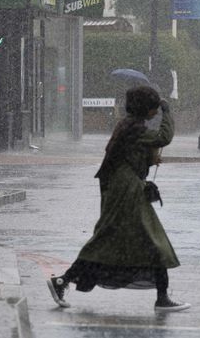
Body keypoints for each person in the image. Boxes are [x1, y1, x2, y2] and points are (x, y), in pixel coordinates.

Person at [46, 86, 190, 312]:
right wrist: (167, 112)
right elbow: (164, 137)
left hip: (124, 187)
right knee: (150, 241)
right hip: (127, 191)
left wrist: (148, 161)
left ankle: (64, 281)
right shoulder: (134, 127)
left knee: (112, 240)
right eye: (153, 107)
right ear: (146, 108)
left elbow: (128, 155)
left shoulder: (130, 125)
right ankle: (161, 299)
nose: (155, 111)